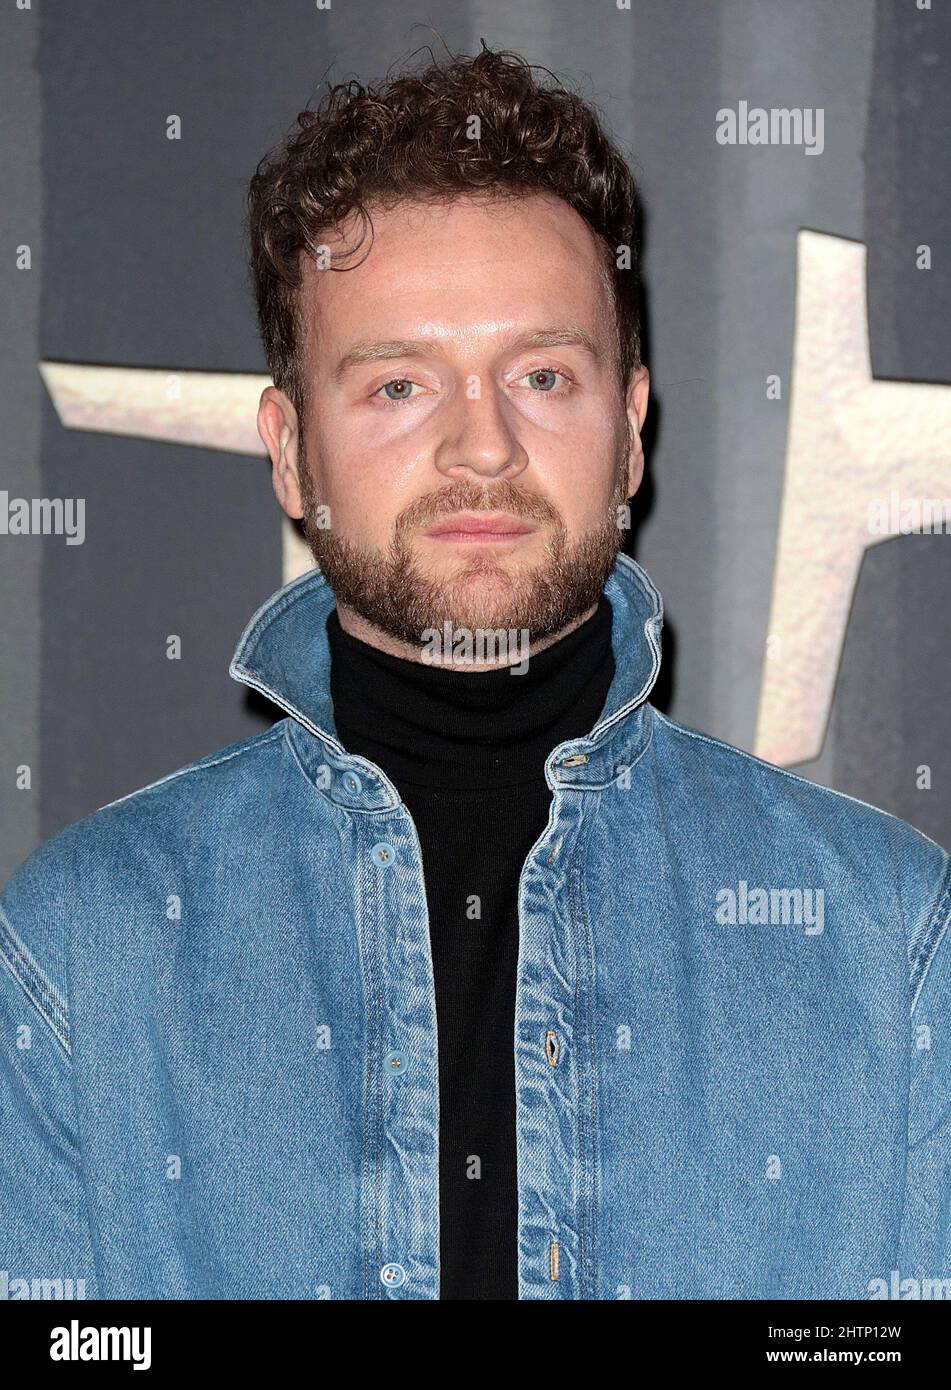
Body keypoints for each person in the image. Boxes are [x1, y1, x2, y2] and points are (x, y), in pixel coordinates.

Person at [1, 45, 948, 1302]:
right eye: (400, 384)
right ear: (290, 452)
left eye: (543, 376)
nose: (483, 446)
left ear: (630, 428)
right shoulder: (83, 943)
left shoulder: (889, 940)